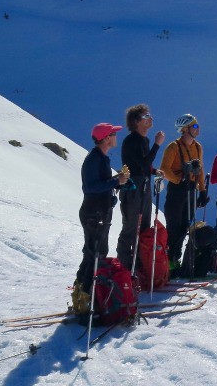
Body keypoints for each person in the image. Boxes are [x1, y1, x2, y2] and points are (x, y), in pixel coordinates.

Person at [75, 123, 129, 306]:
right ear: (106, 138)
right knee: (94, 253)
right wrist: (115, 182)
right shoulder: (94, 159)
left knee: (96, 252)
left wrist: (118, 181)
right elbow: (90, 187)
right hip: (93, 213)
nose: (116, 137)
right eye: (113, 134)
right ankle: (85, 296)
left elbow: (101, 183)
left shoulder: (101, 158)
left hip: (99, 212)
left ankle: (86, 294)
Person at [115, 104, 165, 272]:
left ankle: (138, 267)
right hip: (133, 187)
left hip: (143, 186)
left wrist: (153, 171)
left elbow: (144, 165)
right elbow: (142, 164)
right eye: (146, 116)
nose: (150, 119)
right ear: (136, 121)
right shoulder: (131, 140)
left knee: (143, 228)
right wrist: (157, 145)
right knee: (130, 227)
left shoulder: (144, 140)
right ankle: (124, 268)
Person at [159, 113, 208, 271]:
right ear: (185, 129)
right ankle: (168, 262)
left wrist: (202, 190)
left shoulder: (198, 147)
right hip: (177, 190)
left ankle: (176, 260)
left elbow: (199, 170)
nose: (197, 128)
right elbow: (164, 169)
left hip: (191, 189)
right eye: (194, 126)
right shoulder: (173, 147)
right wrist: (179, 180)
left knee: (185, 226)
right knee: (173, 226)